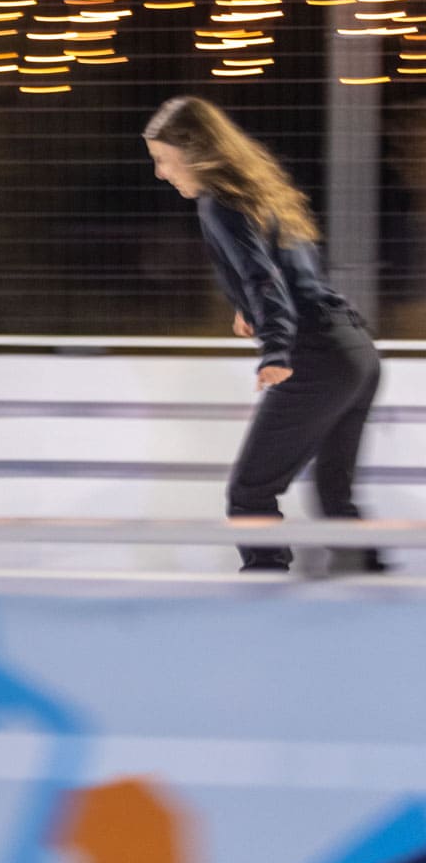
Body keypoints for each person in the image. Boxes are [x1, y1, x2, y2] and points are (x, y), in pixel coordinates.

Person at [143, 95, 384, 574]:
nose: (161, 174)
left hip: (314, 354)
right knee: (336, 497)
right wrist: (247, 309)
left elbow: (263, 278)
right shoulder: (258, 192)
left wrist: (275, 348)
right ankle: (378, 603)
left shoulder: (218, 202)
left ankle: (265, 599)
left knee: (250, 494)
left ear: (195, 153)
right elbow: (292, 271)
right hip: (354, 350)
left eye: (164, 161)